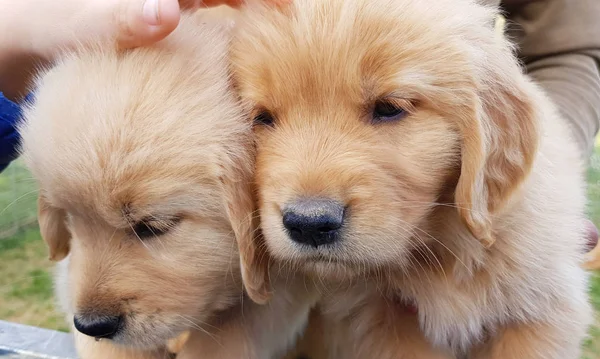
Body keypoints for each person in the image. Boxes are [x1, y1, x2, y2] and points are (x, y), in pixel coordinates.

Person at [0, 0, 598, 250]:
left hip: (431, 239)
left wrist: (531, 179)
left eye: (386, 107)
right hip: (228, 238)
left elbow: (570, 49)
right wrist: (15, 40)